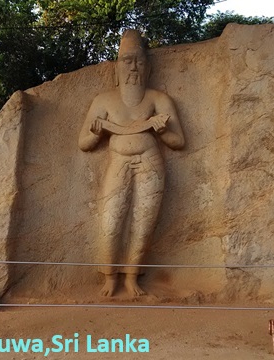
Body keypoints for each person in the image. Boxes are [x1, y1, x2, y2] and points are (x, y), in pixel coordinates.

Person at [78, 29, 185, 297]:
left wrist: (160, 131)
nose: (133, 67)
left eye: (138, 60)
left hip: (150, 164)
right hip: (118, 163)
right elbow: (84, 143)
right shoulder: (104, 100)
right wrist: (97, 130)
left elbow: (178, 141)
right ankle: (110, 276)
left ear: (147, 67)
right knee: (111, 221)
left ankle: (132, 276)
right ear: (117, 65)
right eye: (127, 60)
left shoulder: (158, 99)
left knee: (143, 221)